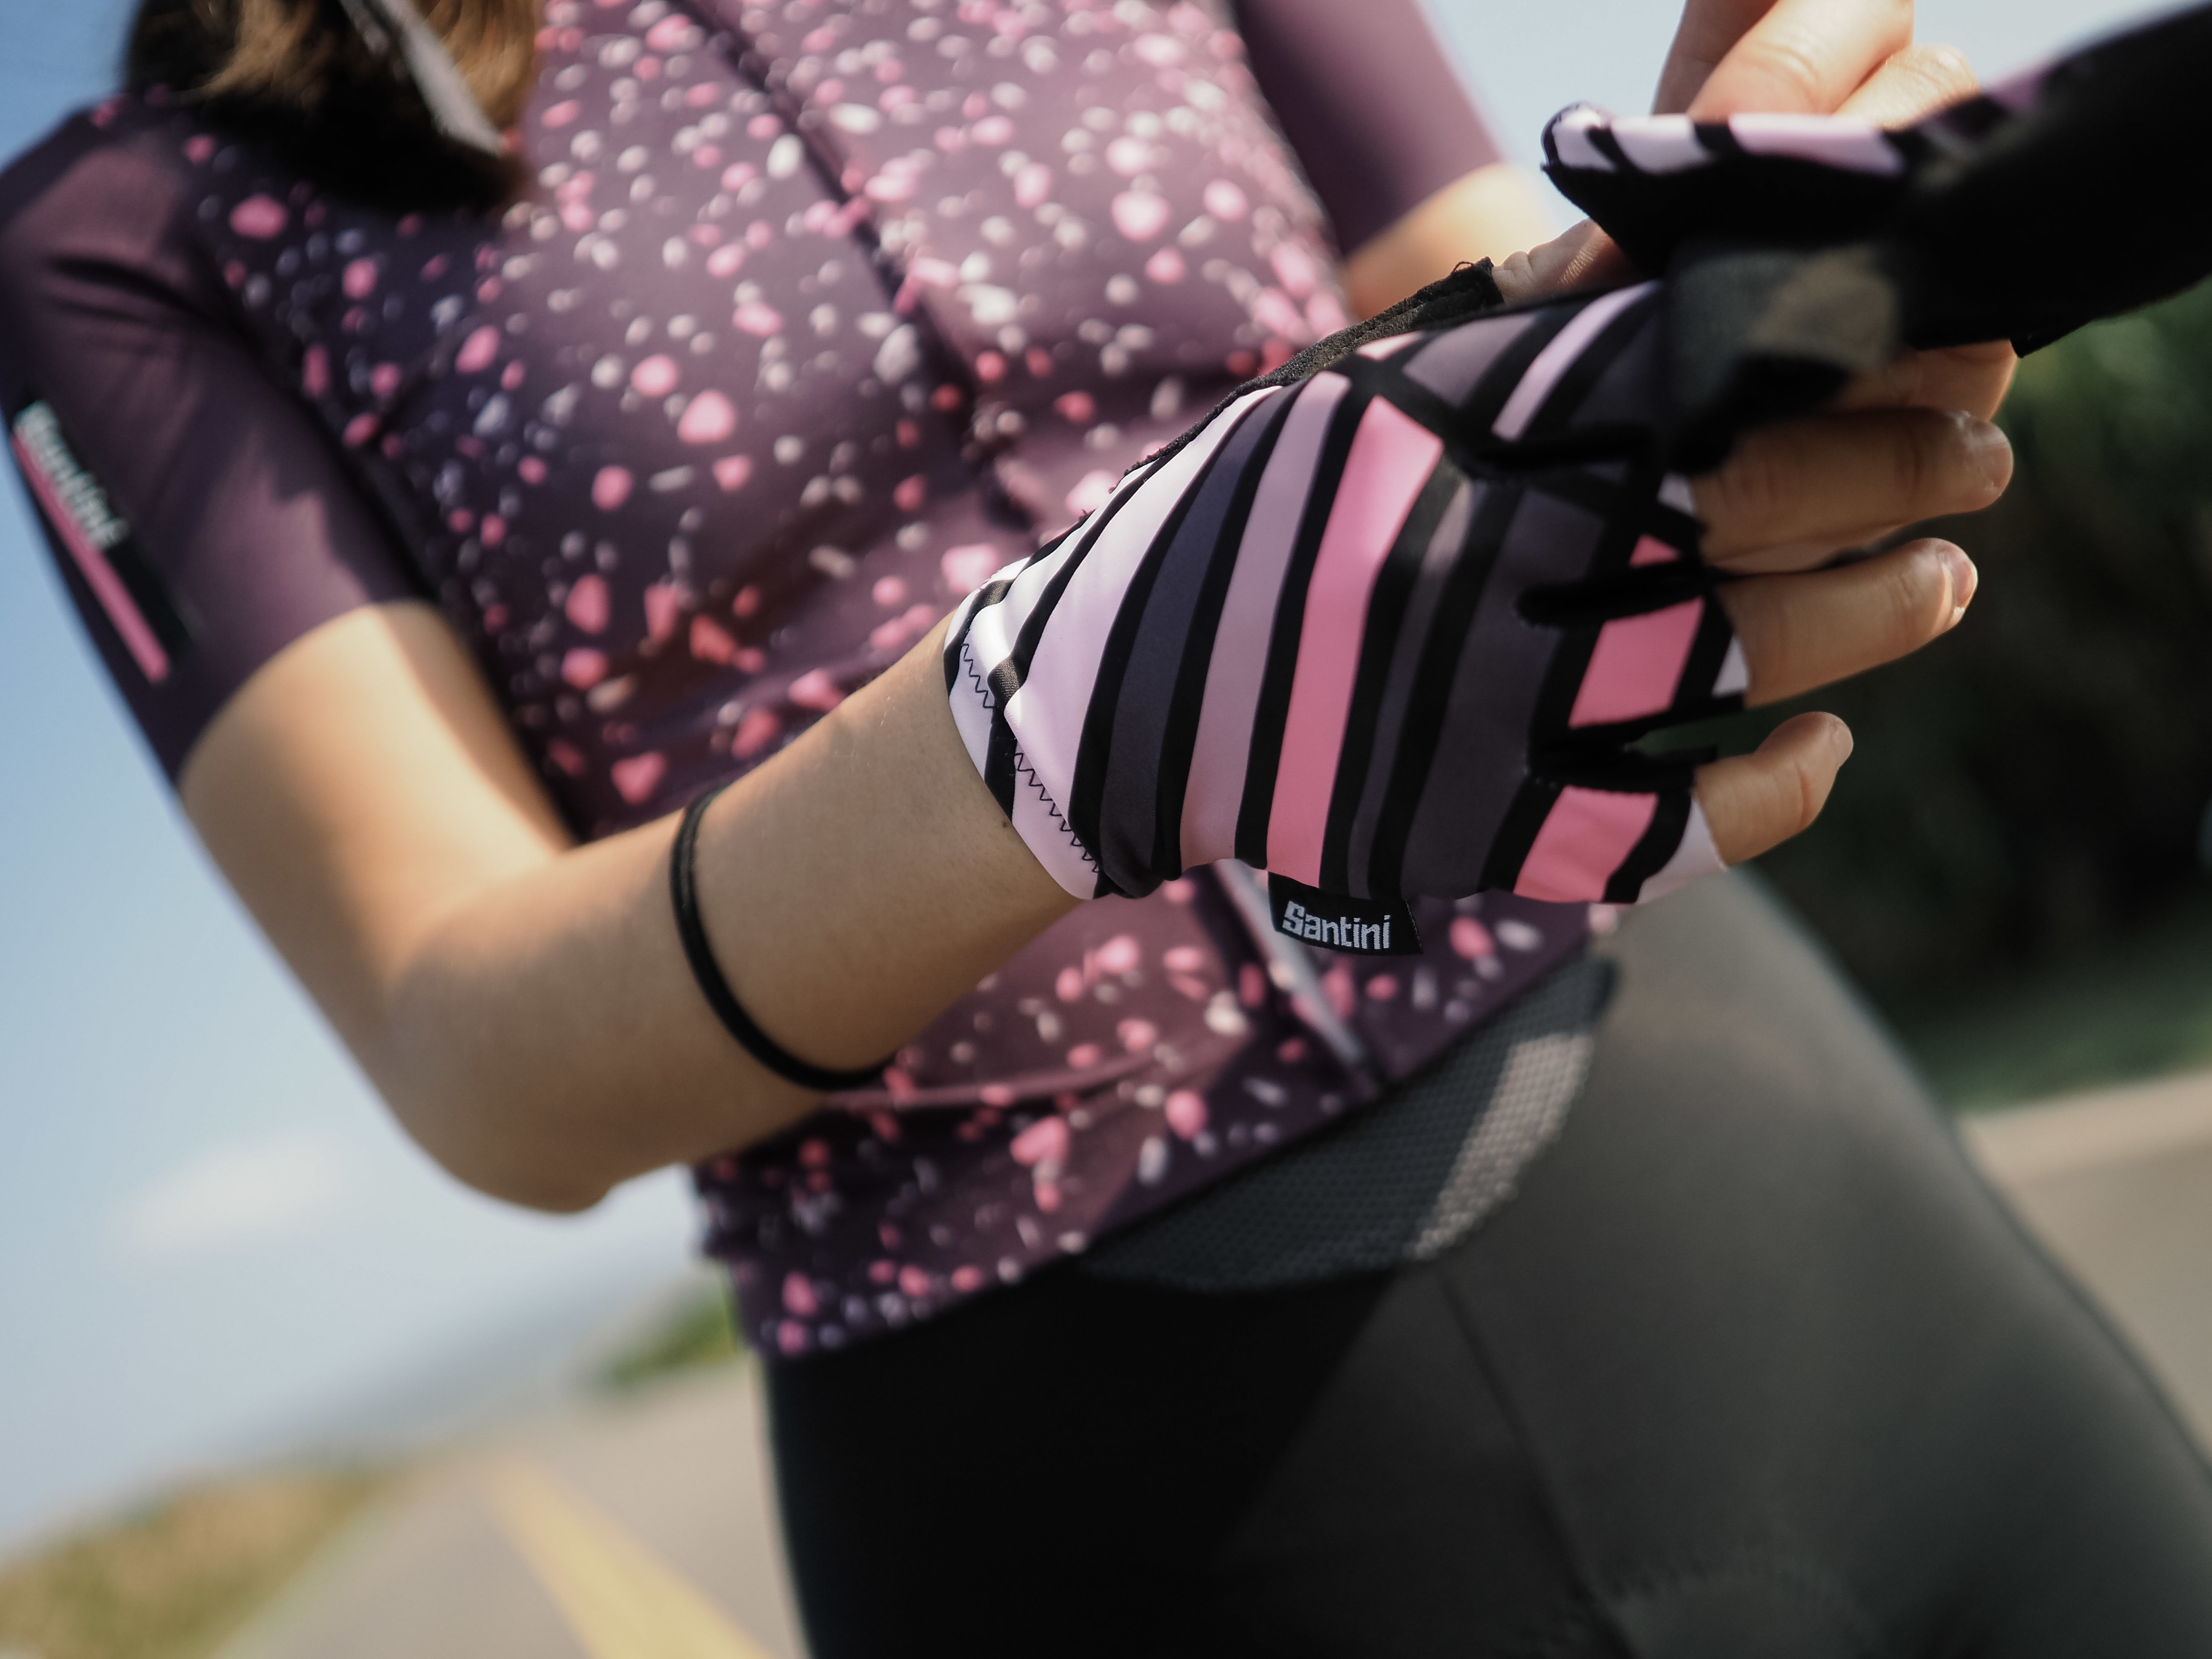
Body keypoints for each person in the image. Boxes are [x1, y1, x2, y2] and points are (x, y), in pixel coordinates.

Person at [6, 0, 2212, 1651]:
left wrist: (1716, 294)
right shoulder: (140, 224)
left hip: (1725, 1132)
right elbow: (466, 1030)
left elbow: (1483, 324)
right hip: (1070, 1446)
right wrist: (1043, 724)